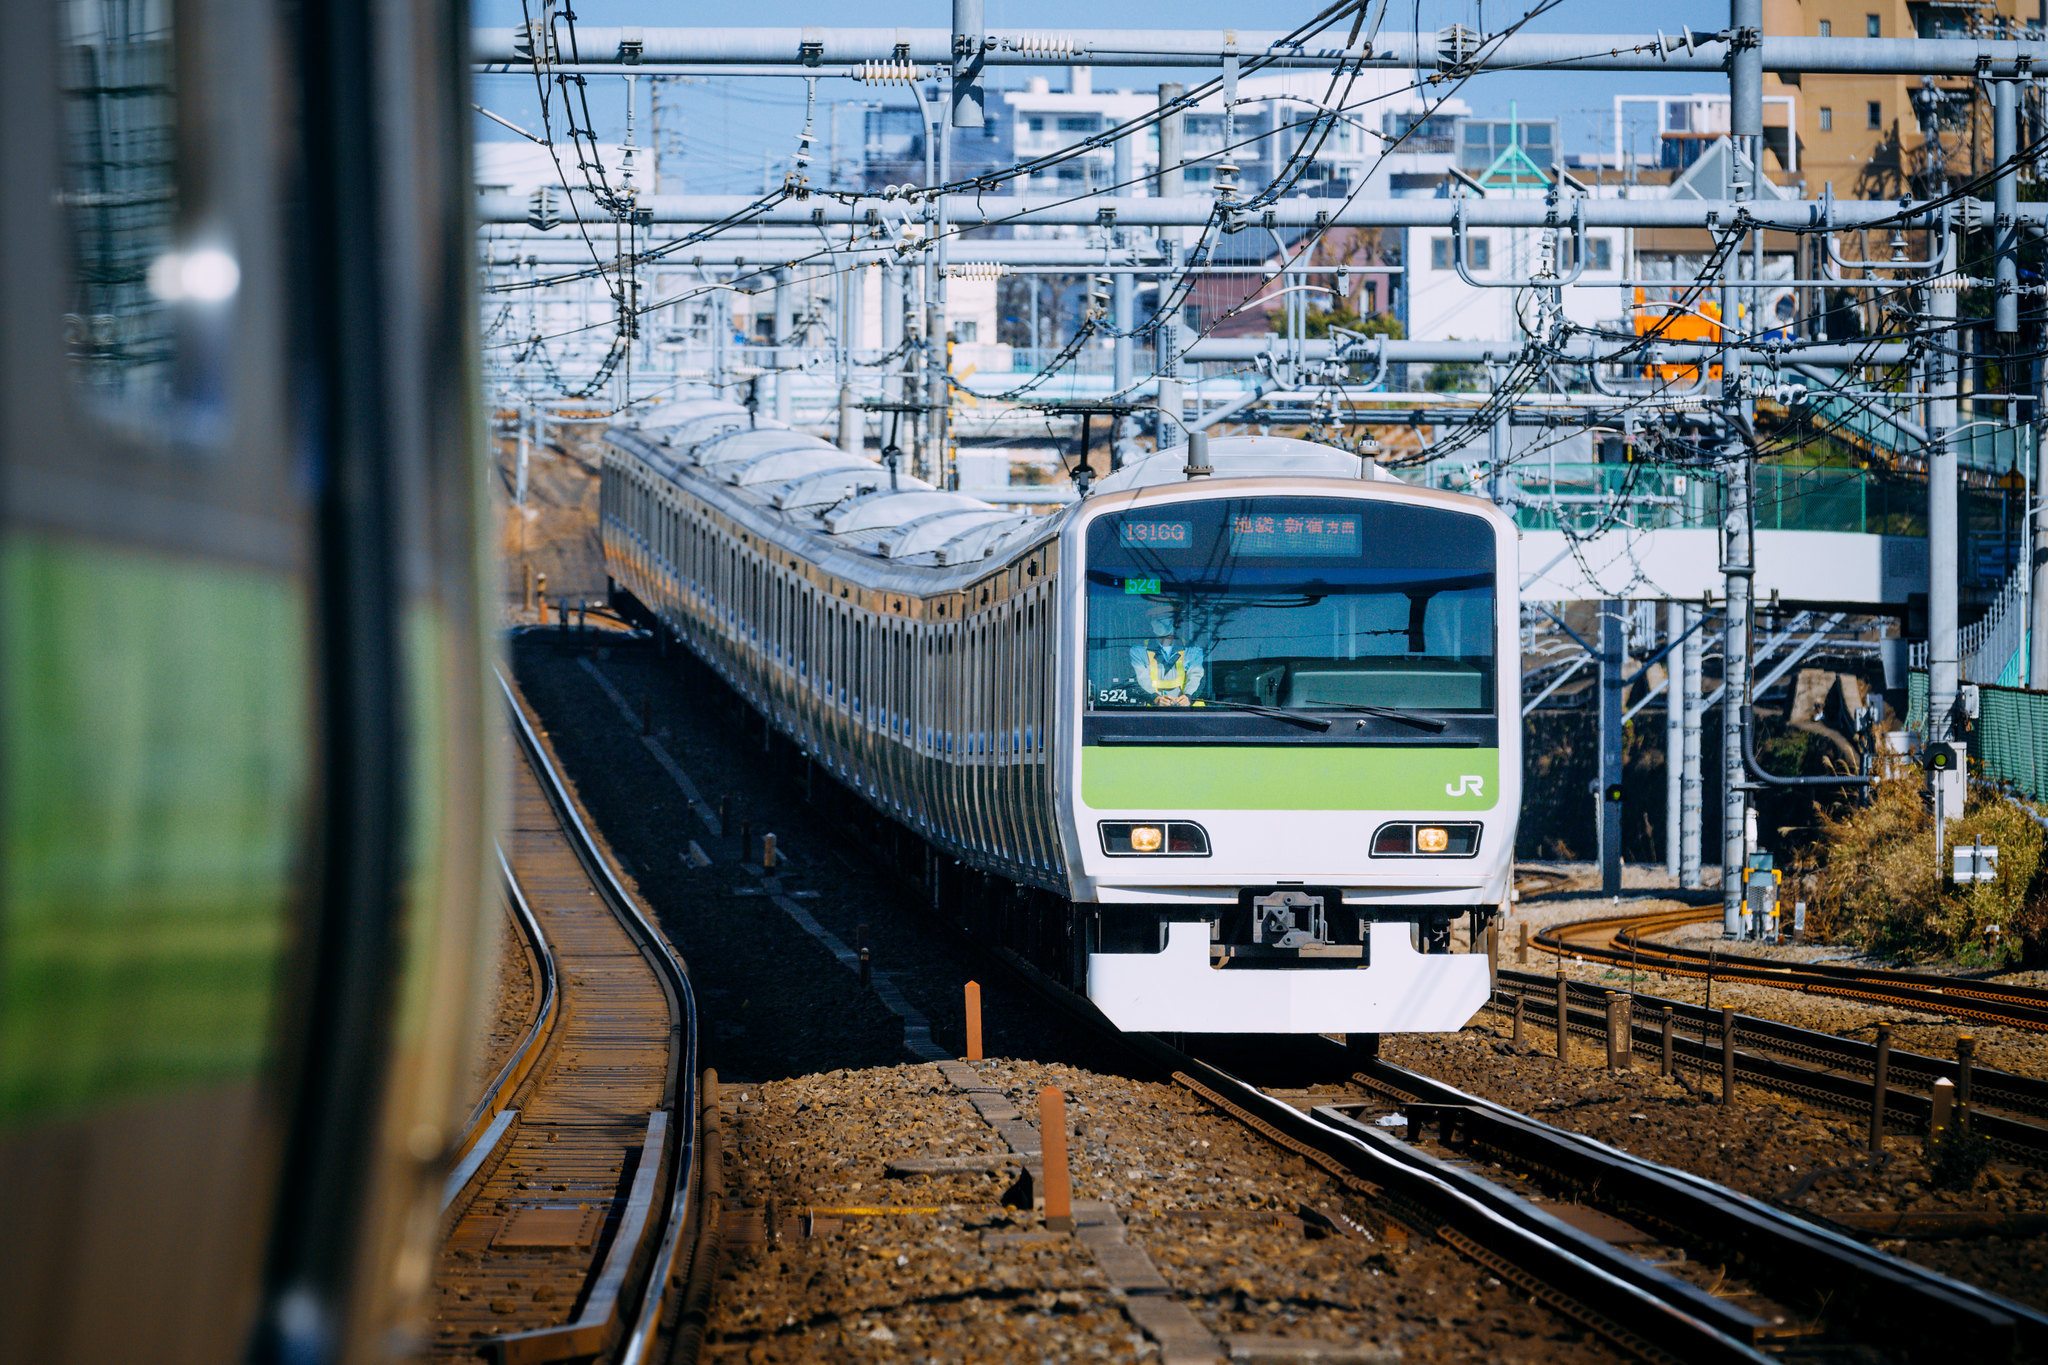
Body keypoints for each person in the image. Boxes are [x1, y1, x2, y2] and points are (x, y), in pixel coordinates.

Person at [1129, 601, 1206, 706]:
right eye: (1155, 619)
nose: (1160, 622)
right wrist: (1155, 698)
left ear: (1175, 622)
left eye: (1165, 618)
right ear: (1150, 622)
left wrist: (1188, 697)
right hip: (1150, 714)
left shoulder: (1192, 650)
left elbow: (1196, 675)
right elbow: (1141, 678)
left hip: (1192, 714)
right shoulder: (1139, 651)